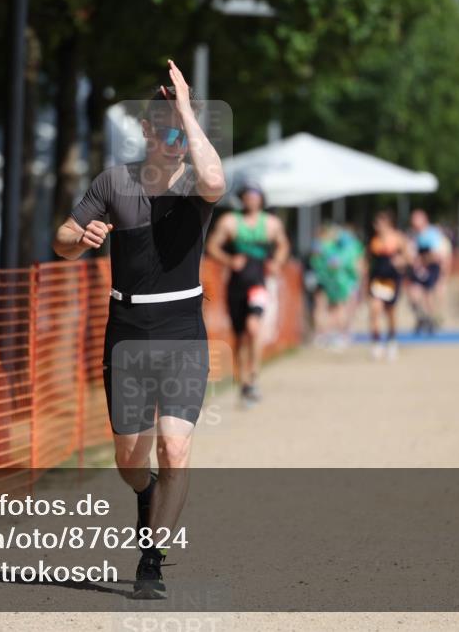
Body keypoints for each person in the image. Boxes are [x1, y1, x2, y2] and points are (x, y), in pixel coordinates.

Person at [52, 60, 225, 599]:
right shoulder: (114, 180)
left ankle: (152, 558)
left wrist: (186, 111)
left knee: (175, 448)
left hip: (181, 329)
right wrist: (78, 240)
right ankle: (146, 494)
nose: (175, 142)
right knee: (131, 459)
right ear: (147, 133)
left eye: (183, 133)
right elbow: (60, 237)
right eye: (167, 131)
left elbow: (218, 180)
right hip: (127, 329)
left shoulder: (196, 181)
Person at [206, 181, 290, 404]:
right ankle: (243, 380)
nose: (251, 199)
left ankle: (253, 378)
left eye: (255, 195)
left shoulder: (271, 224)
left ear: (261, 198)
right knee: (239, 335)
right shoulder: (230, 222)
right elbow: (212, 246)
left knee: (253, 329)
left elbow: (283, 245)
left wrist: (277, 262)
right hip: (236, 285)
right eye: (247, 195)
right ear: (242, 198)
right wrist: (229, 259)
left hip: (259, 284)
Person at [307, 223, 362, 352]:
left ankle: (326, 334)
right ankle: (337, 334)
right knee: (337, 308)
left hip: (327, 281)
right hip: (334, 282)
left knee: (327, 308)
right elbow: (339, 264)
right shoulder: (335, 247)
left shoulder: (322, 246)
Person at [366, 211, 408, 360]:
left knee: (390, 312)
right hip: (378, 279)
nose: (377, 226)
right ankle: (376, 342)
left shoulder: (398, 238)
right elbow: (369, 261)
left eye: (380, 223)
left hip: (391, 279)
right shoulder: (375, 241)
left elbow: (408, 257)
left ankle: (391, 340)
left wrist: (401, 261)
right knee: (375, 309)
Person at [405, 210, 446, 334]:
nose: (414, 222)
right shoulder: (413, 234)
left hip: (431, 268)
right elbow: (410, 252)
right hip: (418, 268)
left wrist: (421, 259)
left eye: (416, 219)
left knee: (428, 297)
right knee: (413, 295)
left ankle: (431, 321)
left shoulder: (432, 234)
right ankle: (422, 318)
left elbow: (437, 255)